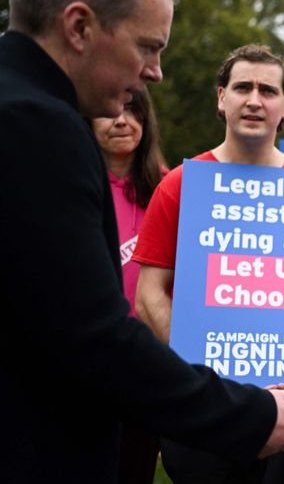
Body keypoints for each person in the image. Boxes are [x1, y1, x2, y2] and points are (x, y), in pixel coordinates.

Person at [0, 0, 284, 483]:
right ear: (79, 26)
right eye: (148, 46)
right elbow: (94, 338)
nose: (156, 72)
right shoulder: (39, 125)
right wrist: (249, 412)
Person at [132, 44, 284, 482]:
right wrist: (201, 370)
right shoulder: (179, 185)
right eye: (242, 87)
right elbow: (148, 294)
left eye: (268, 90)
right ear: (221, 97)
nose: (254, 99)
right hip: (205, 404)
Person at [91, 86, 167, 484]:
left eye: (132, 111)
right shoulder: (73, 189)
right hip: (88, 363)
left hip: (148, 363)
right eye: (111, 112)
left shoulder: (172, 190)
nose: (122, 121)